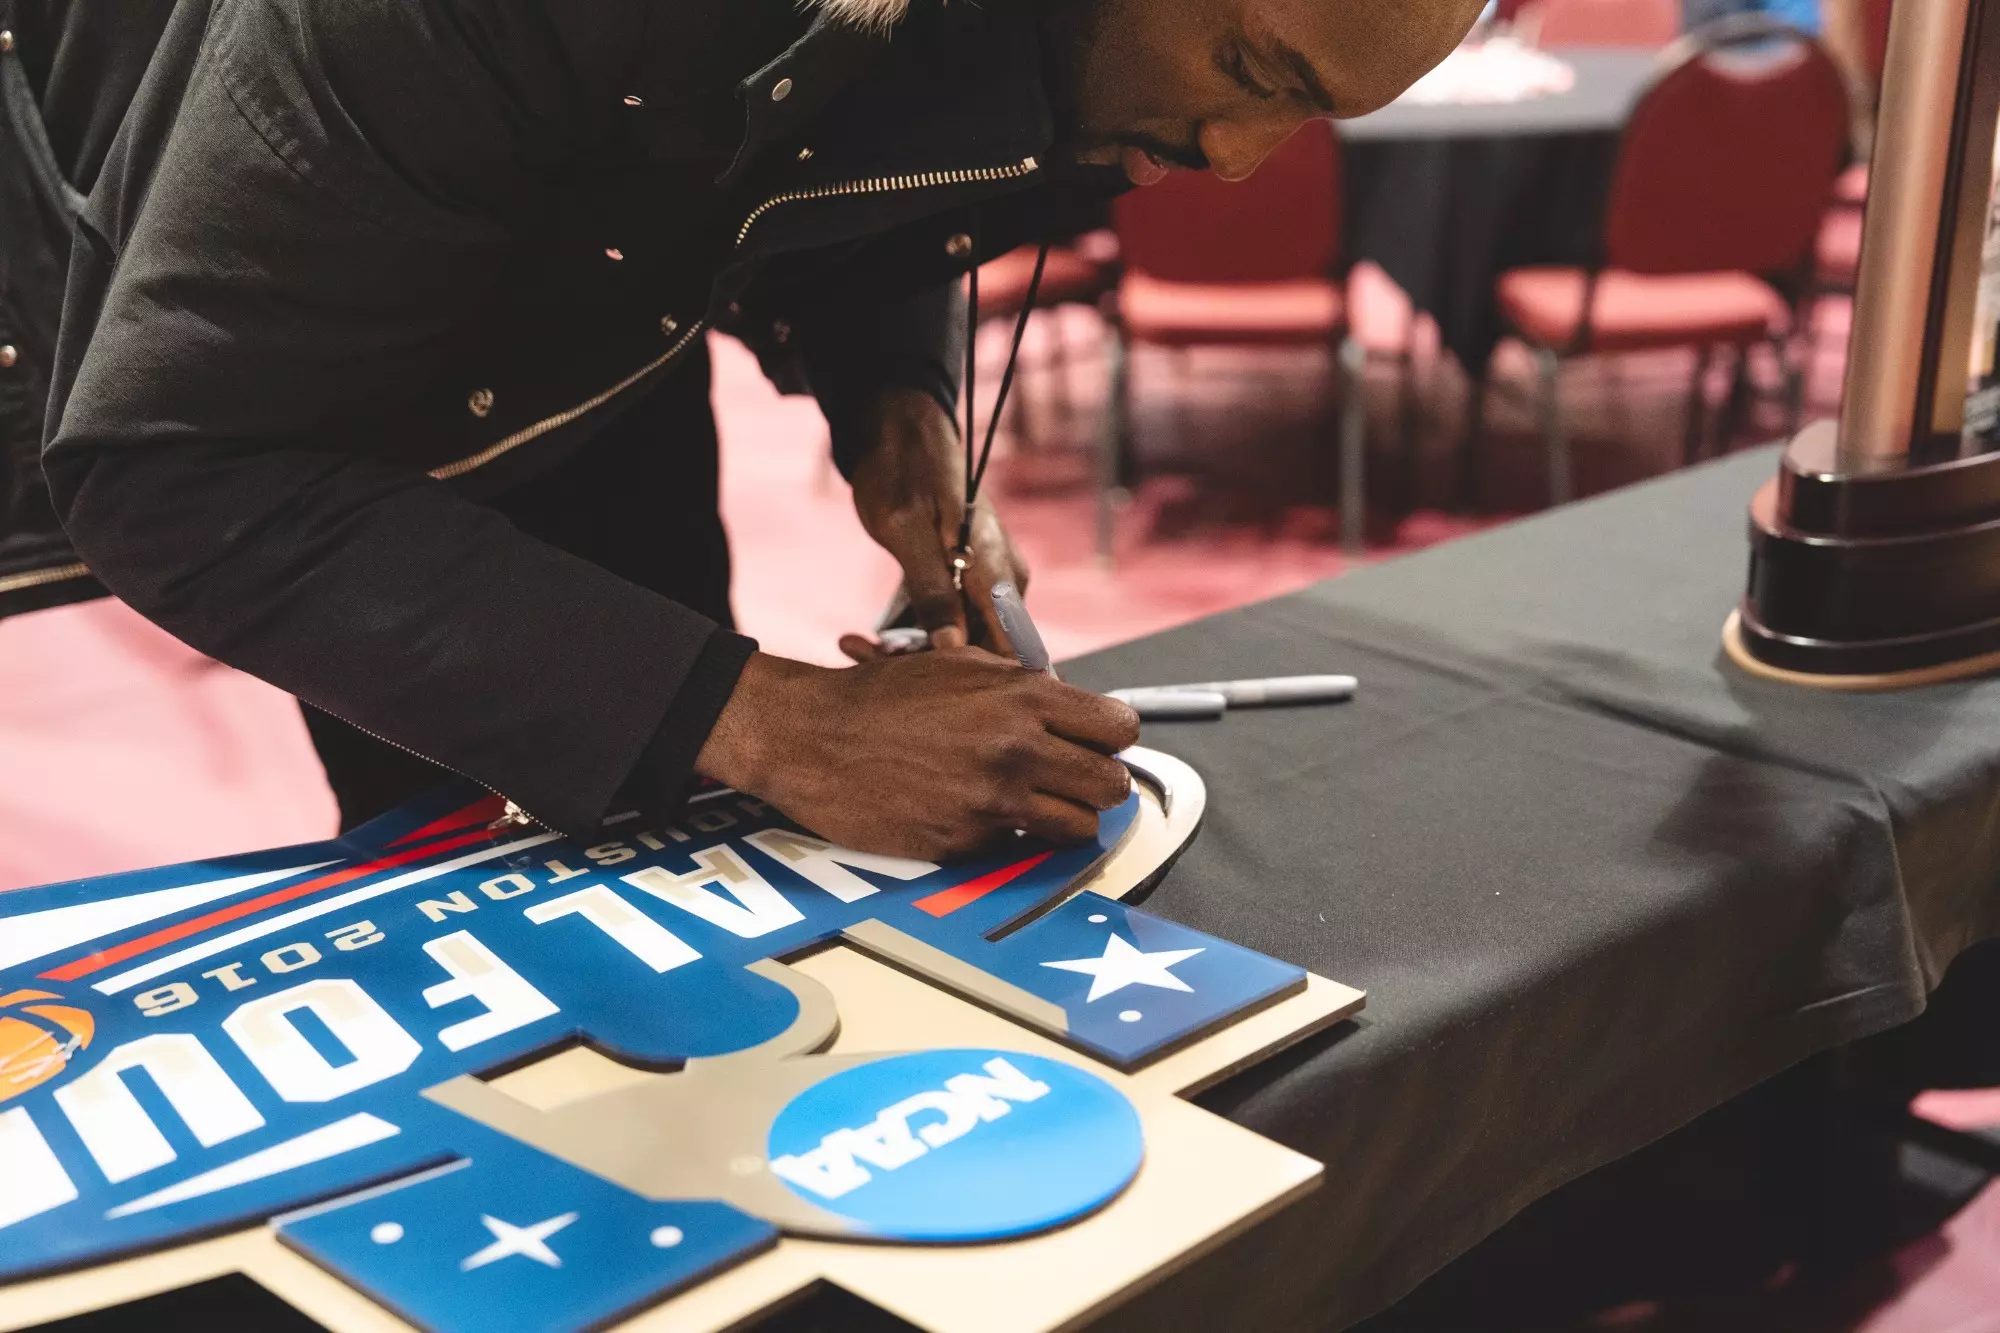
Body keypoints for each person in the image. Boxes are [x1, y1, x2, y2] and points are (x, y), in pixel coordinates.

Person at [0, 0, 1482, 858]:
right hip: (288, 367)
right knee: (463, 858)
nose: (1237, 164)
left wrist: (896, 397)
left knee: (658, 803)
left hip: (591, 320)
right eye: (1251, 72)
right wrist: (775, 718)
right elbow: (182, 471)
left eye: (1317, 114)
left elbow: (876, 134)